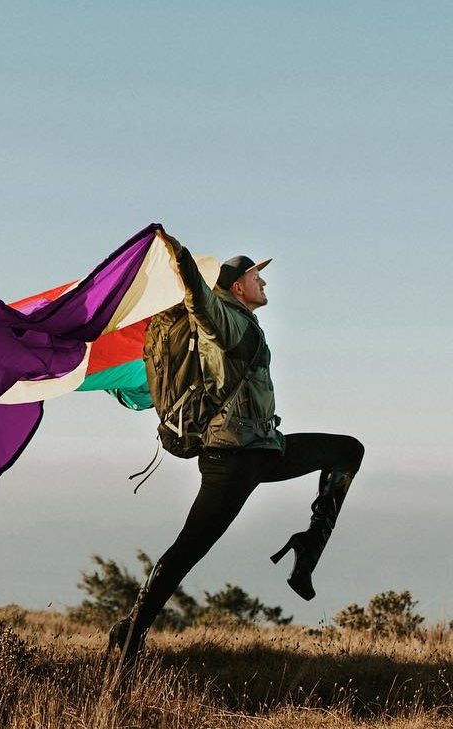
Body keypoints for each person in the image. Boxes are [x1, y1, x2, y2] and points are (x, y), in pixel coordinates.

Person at [108, 232, 365, 661]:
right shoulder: (222, 318)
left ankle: (308, 549)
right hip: (230, 456)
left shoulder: (246, 322)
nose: (263, 283)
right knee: (190, 547)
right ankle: (131, 631)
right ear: (236, 286)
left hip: (263, 448)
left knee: (348, 451)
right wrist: (180, 257)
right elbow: (198, 303)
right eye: (255, 277)